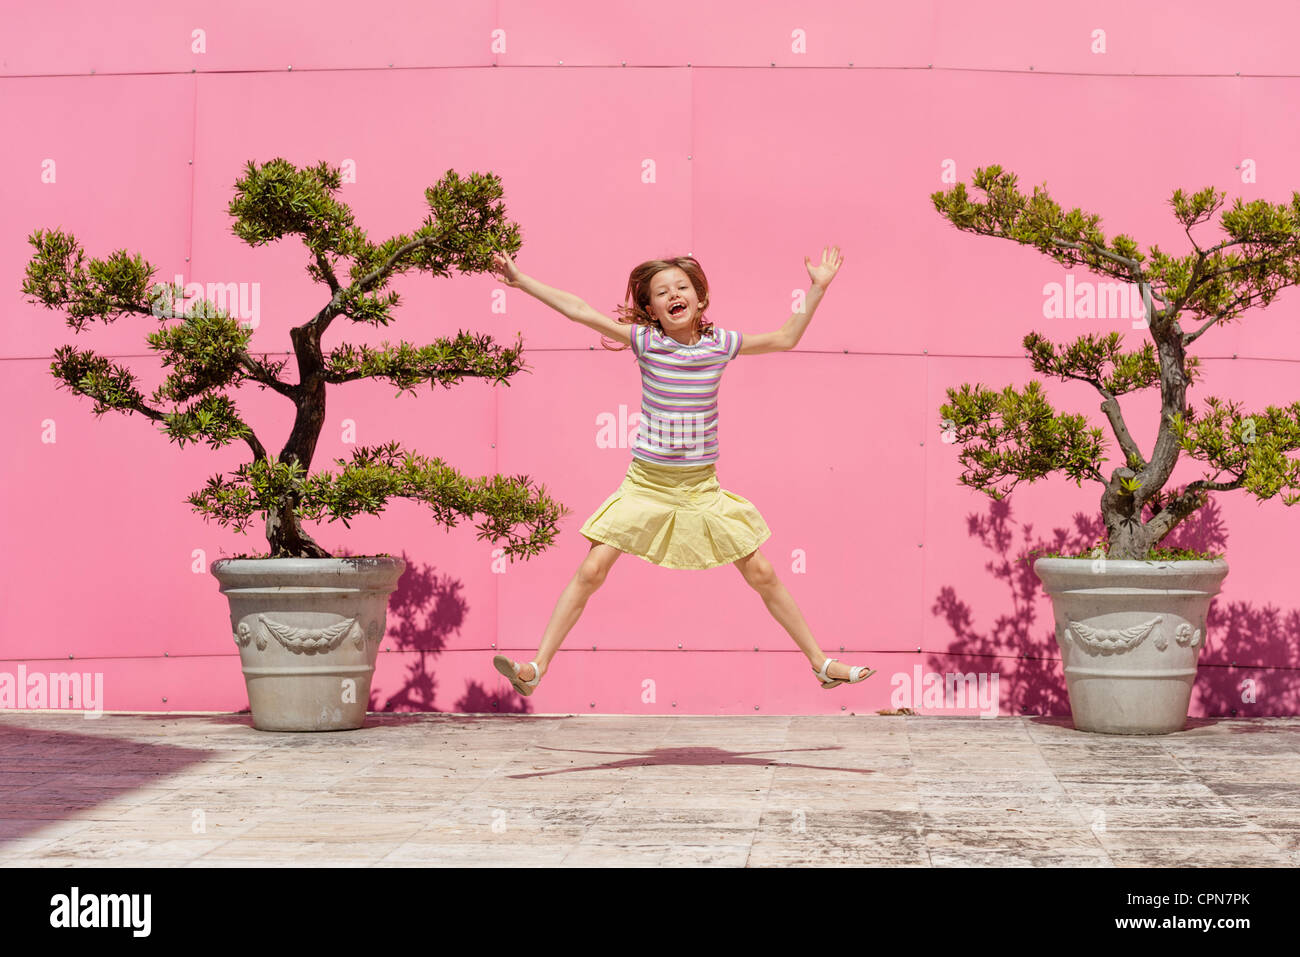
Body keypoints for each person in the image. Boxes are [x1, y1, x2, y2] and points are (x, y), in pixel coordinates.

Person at [487, 246, 875, 696]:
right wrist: (522, 280)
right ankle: (536, 667)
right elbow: (580, 311)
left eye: (681, 287)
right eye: (660, 292)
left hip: (699, 489)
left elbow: (786, 337)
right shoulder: (646, 342)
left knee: (762, 573)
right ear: (649, 308)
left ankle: (821, 664)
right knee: (593, 570)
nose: (673, 294)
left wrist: (817, 287)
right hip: (646, 486)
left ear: (699, 297)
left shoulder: (720, 345)